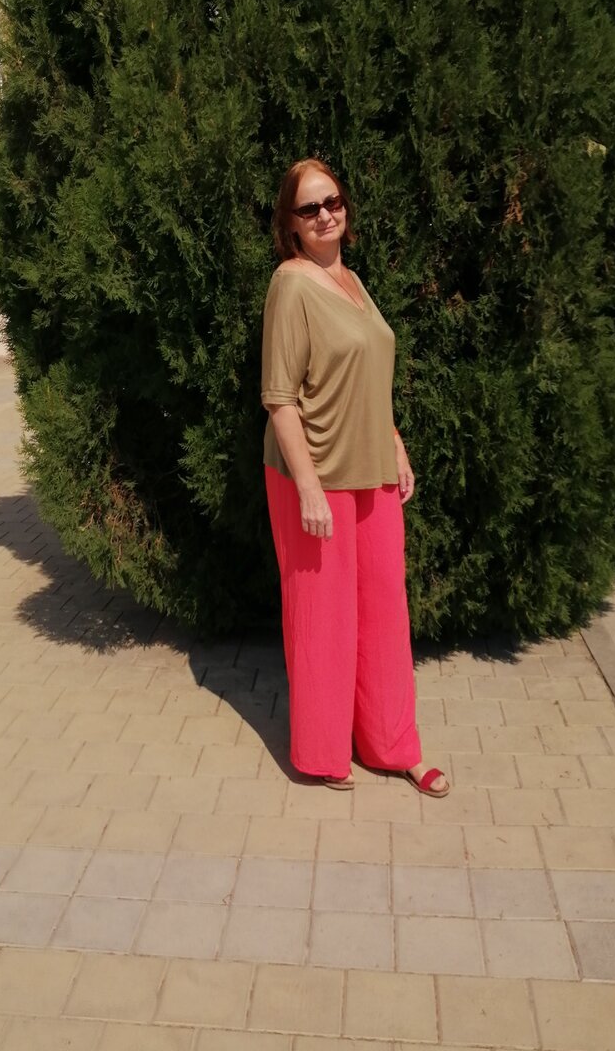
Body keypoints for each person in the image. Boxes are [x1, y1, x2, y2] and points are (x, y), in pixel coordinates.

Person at [261, 157, 450, 797]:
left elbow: (368, 377)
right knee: (323, 619)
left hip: (372, 472)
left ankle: (394, 745)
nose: (325, 215)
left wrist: (394, 444)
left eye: (333, 201)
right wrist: (309, 487)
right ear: (291, 223)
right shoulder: (290, 285)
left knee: (385, 617)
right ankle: (322, 752)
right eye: (309, 208)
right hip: (315, 474)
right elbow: (279, 398)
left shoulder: (352, 280)